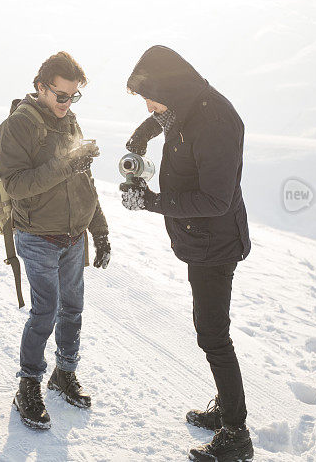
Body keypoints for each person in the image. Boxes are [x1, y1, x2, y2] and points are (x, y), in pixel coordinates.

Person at [120, 45, 253, 461]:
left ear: (171, 89)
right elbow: (172, 116)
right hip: (200, 240)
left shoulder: (215, 121)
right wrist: (145, 132)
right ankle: (227, 410)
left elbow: (216, 200)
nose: (149, 106)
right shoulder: (188, 105)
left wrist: (151, 202)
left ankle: (236, 435)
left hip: (215, 244)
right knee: (208, 331)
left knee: (213, 335)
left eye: (151, 98)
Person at [0, 51, 110, 430]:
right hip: (37, 237)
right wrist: (66, 165)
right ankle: (28, 383)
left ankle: (64, 374)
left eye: (73, 97)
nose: (67, 104)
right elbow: (16, 185)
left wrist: (100, 229)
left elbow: (83, 182)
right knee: (46, 309)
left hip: (73, 237)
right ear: (41, 88)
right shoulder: (17, 128)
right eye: (61, 96)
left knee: (72, 308)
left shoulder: (69, 120)